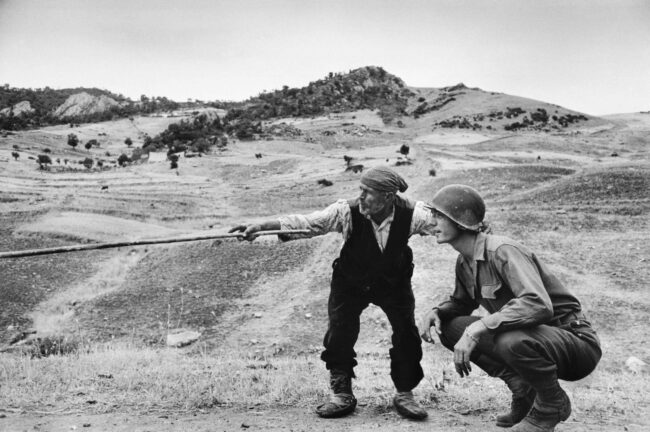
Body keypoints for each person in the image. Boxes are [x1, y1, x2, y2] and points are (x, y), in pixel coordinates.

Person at [230, 166, 436, 420]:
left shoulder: (413, 214)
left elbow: (445, 223)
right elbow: (307, 224)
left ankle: (405, 393)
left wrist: (476, 227)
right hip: (350, 281)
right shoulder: (345, 211)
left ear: (388, 197)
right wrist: (261, 226)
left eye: (368, 193)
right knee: (340, 332)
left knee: (406, 332)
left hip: (393, 282)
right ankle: (342, 393)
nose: (360, 197)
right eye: (360, 190)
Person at [419, 184, 601, 432]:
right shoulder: (464, 262)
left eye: (439, 215)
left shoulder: (502, 250)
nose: (432, 222)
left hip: (574, 342)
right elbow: (462, 303)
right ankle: (524, 392)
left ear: (460, 221)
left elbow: (537, 304)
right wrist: (437, 312)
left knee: (507, 338)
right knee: (451, 327)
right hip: (533, 338)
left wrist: (479, 328)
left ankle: (551, 405)